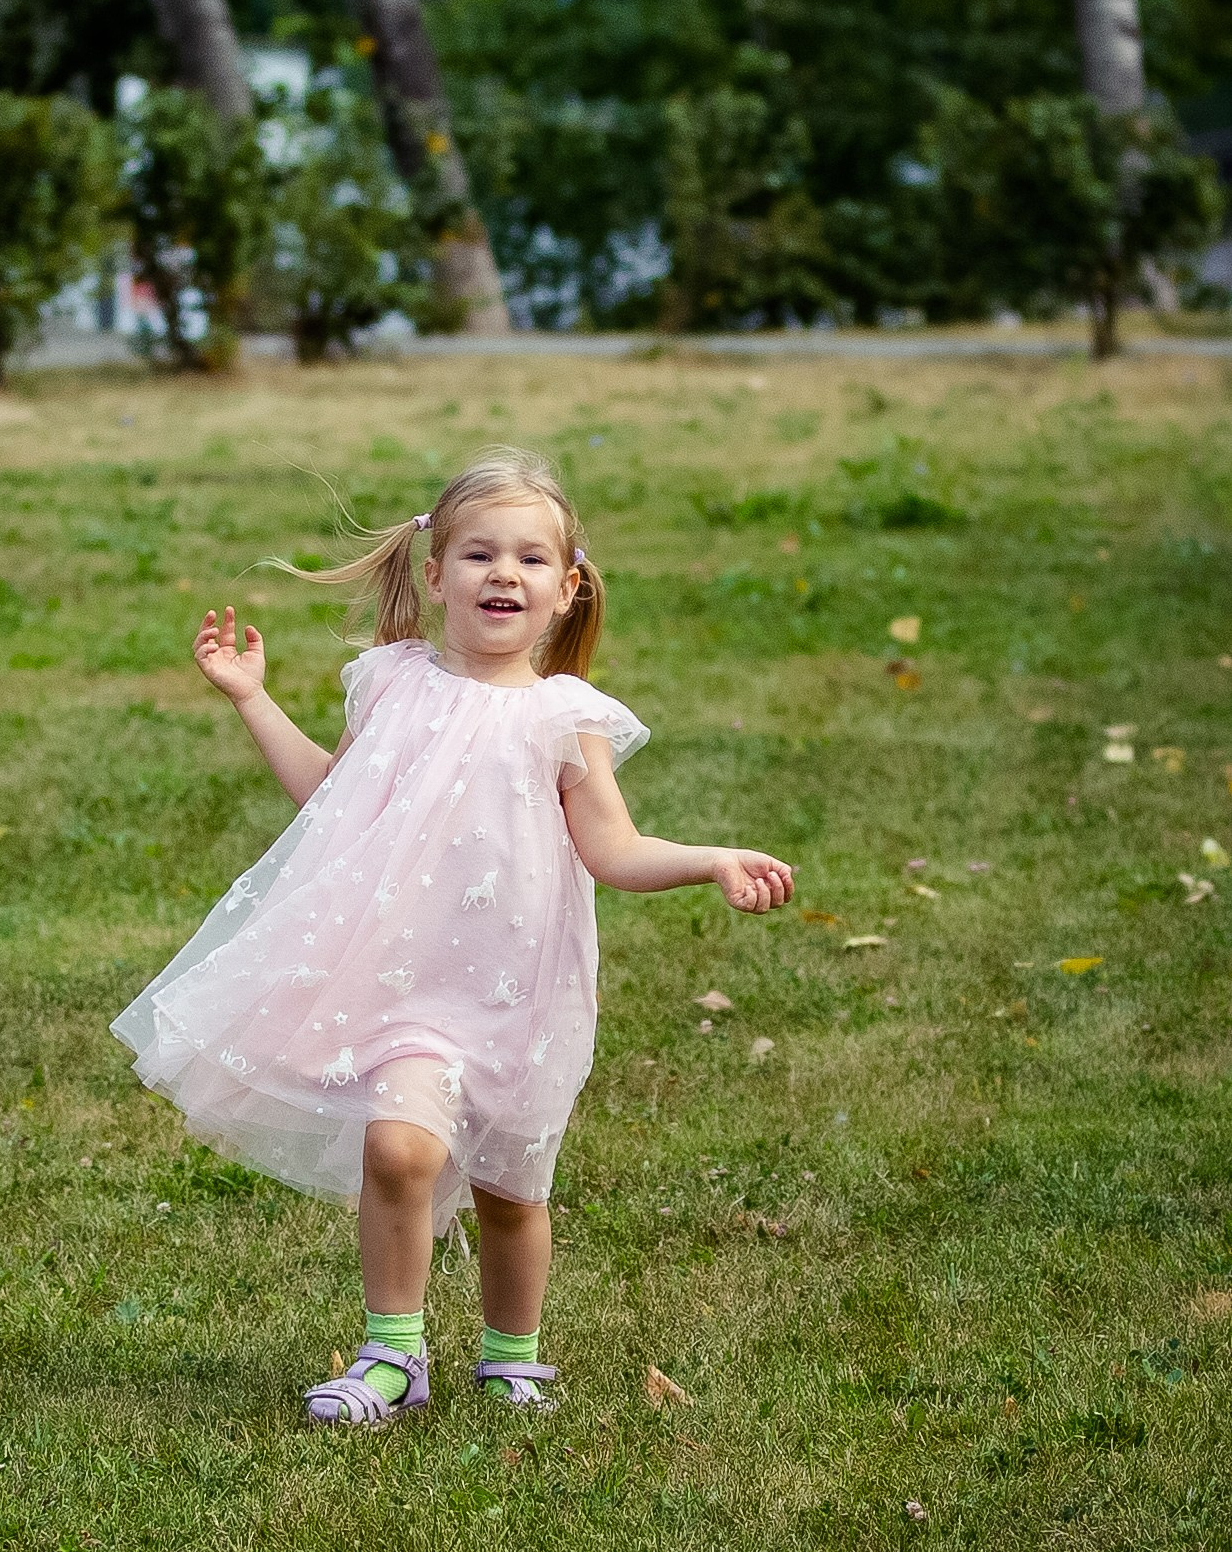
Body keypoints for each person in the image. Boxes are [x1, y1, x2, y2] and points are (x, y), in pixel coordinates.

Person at [112, 447, 794, 1427]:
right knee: (397, 1153)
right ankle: (393, 1354)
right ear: (436, 575)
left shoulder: (566, 717)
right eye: (479, 555)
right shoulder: (388, 684)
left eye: (527, 560)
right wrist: (253, 699)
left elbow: (613, 848)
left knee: (512, 1187)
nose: (501, 574)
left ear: (566, 590)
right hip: (402, 982)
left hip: (515, 991)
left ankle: (512, 1357)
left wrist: (711, 859)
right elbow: (328, 800)